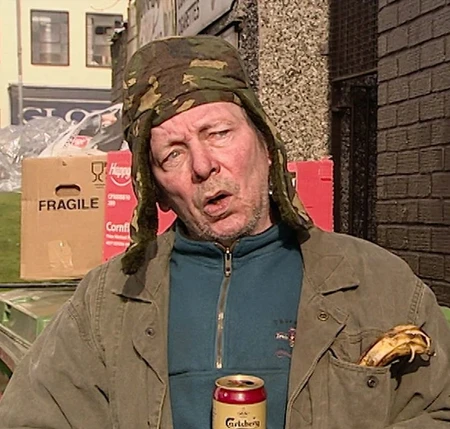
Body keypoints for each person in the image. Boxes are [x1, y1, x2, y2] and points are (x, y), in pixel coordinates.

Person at [1, 35, 450, 429]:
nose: (202, 166)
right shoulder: (106, 304)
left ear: (265, 143)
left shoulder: (379, 285)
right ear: (156, 188)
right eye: (172, 154)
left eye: (218, 133)